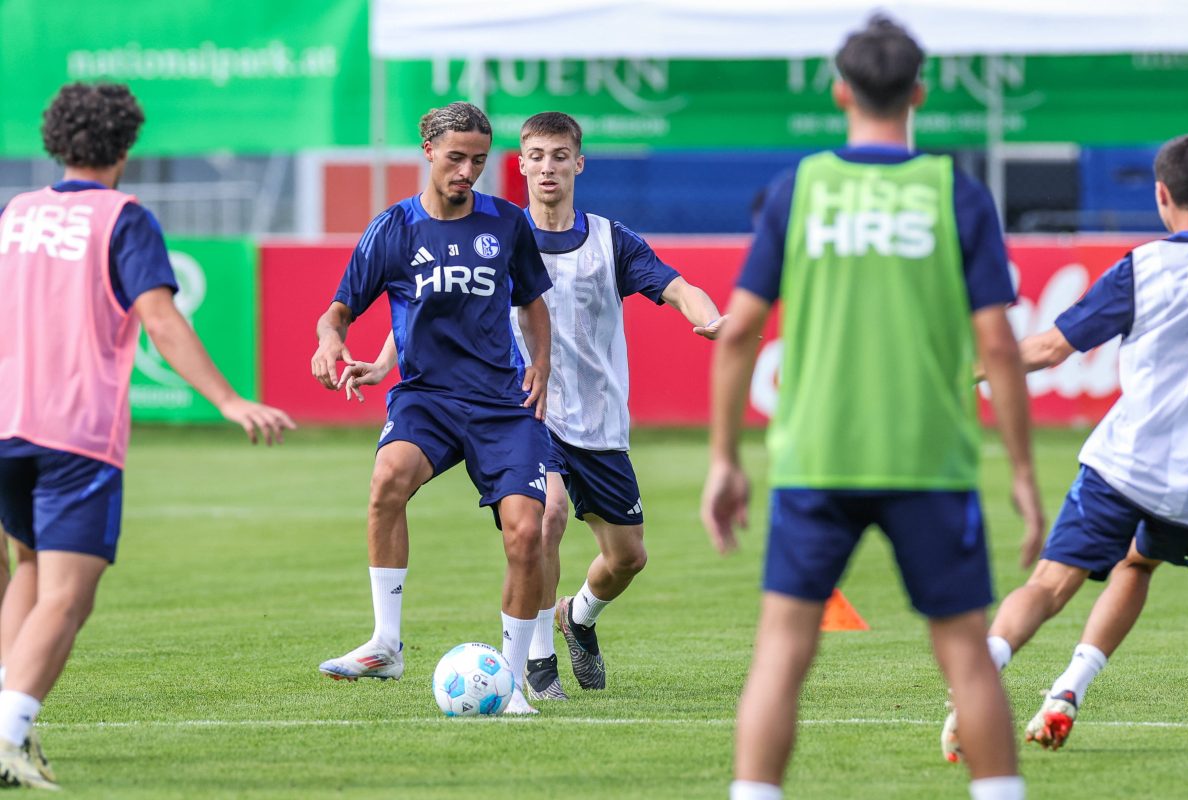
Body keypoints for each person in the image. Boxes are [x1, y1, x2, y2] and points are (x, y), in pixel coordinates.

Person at [700, 15, 1042, 800]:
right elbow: (997, 345)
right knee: (962, 652)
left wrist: (725, 459)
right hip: (929, 457)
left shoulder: (800, 190)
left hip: (817, 456)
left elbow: (740, 330)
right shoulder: (955, 193)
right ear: (920, 92)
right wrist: (1022, 471)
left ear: (839, 91)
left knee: (782, 651)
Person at [339, 111, 726, 699]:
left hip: (598, 423)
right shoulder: (486, 228)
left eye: (559, 156)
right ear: (521, 164)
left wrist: (708, 317)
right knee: (544, 516)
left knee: (627, 558)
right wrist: (386, 360)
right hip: (525, 406)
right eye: (536, 156)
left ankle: (578, 618)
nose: (547, 167)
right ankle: (535, 665)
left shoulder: (607, 240)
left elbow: (677, 287)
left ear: (577, 164)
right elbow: (430, 300)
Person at [0, 82, 295, 790]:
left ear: (55, 140)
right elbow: (160, 317)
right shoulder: (123, 218)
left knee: (31, 568)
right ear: (127, 147)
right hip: (73, 432)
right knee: (69, 595)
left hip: (6, 424)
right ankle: (7, 736)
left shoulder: (17, 213)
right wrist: (226, 399)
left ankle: (11, 724)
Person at [958, 133, 1188, 752]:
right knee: (1137, 562)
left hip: (1123, 466)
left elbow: (1049, 348)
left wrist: (966, 369)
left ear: (1162, 195)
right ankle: (1070, 686)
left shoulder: (1145, 267)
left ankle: (981, 679)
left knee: (1048, 583)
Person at [310, 102, 553, 715]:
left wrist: (542, 362)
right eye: (456, 158)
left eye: (478, 159)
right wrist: (330, 341)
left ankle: (514, 679)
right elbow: (339, 309)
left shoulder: (509, 223)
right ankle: (386, 643)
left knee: (528, 533)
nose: (467, 170)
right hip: (427, 399)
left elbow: (532, 303)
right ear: (427, 151)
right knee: (387, 479)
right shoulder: (392, 229)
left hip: (501, 404)